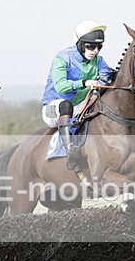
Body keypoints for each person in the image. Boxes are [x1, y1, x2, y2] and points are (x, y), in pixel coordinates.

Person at [40, 20, 113, 170]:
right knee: (66, 105)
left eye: (99, 46)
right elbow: (61, 86)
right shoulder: (62, 58)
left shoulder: (99, 61)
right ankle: (70, 151)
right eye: (91, 46)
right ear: (80, 44)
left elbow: (106, 76)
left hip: (80, 107)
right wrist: (84, 82)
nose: (96, 51)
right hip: (54, 108)